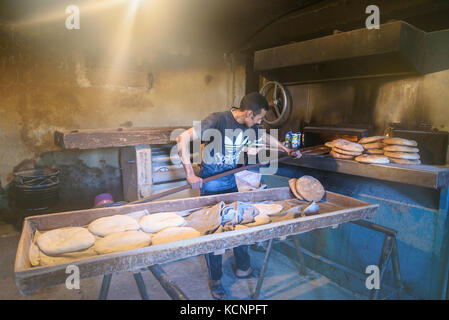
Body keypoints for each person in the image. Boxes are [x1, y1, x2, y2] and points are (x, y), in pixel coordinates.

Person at [177, 92, 301, 299]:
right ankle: (216, 280)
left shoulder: (250, 125)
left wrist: (285, 148)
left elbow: (262, 136)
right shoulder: (218, 119)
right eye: (260, 118)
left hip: (230, 181)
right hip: (212, 183)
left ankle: (243, 267)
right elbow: (183, 138)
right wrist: (190, 173)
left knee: (240, 223)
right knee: (214, 232)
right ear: (249, 113)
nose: (260, 122)